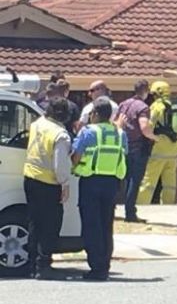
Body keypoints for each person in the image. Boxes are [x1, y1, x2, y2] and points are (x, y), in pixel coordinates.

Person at [72, 97, 128, 281]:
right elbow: (124, 154)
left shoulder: (88, 132)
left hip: (90, 181)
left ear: (95, 114)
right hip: (112, 183)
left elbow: (76, 156)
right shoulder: (120, 134)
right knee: (106, 225)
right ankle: (104, 265)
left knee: (91, 225)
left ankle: (96, 268)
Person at [23, 97, 72, 280]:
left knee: (34, 223)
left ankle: (32, 264)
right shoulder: (60, 134)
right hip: (49, 184)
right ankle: (44, 266)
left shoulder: (37, 124)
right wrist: (65, 184)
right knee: (50, 226)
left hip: (30, 177)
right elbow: (60, 165)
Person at [117, 80, 158, 223]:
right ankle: (130, 213)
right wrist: (155, 137)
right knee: (135, 181)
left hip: (124, 146)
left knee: (125, 179)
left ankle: (124, 210)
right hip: (138, 148)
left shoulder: (124, 104)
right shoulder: (143, 107)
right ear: (145, 90)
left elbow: (117, 124)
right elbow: (144, 128)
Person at [137, 80, 177, 205]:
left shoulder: (156, 107)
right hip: (173, 152)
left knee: (149, 182)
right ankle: (168, 207)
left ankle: (141, 206)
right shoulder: (175, 107)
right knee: (169, 184)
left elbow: (149, 126)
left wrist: (151, 139)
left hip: (158, 151)